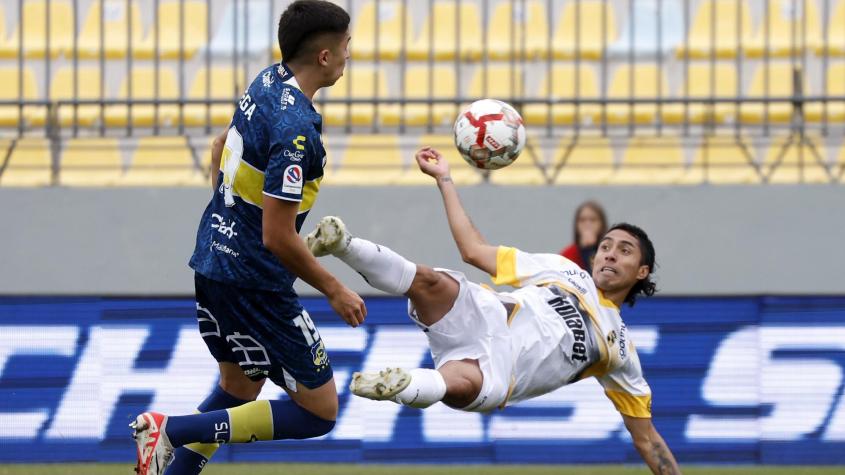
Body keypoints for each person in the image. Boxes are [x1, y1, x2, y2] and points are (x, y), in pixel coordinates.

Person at [303, 147, 681, 475]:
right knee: (429, 282)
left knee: (458, 383)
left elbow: (646, 440)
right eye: (607, 246)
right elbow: (472, 249)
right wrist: (445, 179)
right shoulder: (563, 269)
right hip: (485, 312)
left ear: (642, 271)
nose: (611, 253)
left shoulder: (620, 351)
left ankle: (404, 385)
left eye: (625, 250)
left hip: (502, 367)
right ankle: (342, 244)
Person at [130, 2, 365, 474]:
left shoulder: (266, 81)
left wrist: (227, 211)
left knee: (239, 388)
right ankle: (170, 429)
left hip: (212, 261)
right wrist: (335, 289)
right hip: (254, 283)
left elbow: (221, 146)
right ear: (323, 57)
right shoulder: (297, 129)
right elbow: (277, 236)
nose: (347, 56)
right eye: (345, 47)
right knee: (319, 411)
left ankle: (169, 462)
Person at [559, 201, 607, 274]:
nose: (587, 224)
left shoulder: (608, 253)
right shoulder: (568, 254)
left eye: (593, 220)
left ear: (601, 224)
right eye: (582, 220)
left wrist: (590, 250)